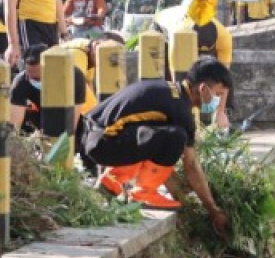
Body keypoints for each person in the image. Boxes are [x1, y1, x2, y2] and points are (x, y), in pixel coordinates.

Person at [76, 59, 231, 226]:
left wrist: (181, 194)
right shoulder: (181, 112)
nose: (219, 101)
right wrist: (213, 209)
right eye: (219, 94)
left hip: (90, 135)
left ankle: (112, 181)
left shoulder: (168, 91)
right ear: (203, 89)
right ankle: (144, 193)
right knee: (176, 136)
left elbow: (156, 153)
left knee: (160, 134)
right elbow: (191, 166)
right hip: (102, 144)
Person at [8, 44, 93, 133]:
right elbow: (14, 126)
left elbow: (71, 126)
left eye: (38, 78)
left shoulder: (74, 77)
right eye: (30, 76)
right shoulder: (21, 81)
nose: (33, 80)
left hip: (81, 115)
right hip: (45, 115)